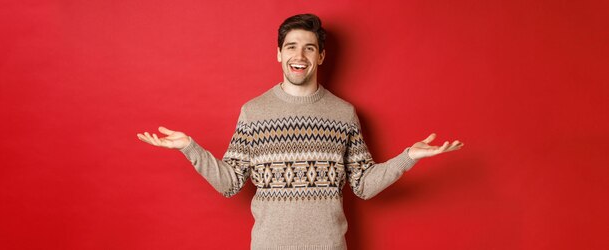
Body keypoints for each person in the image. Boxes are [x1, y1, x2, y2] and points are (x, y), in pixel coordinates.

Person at [137, 13, 463, 250]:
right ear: (278, 54)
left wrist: (409, 157)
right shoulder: (254, 112)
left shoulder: (343, 114)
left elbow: (363, 185)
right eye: (291, 46)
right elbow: (230, 183)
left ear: (320, 56)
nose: (299, 55)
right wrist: (189, 147)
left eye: (309, 48)